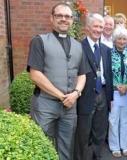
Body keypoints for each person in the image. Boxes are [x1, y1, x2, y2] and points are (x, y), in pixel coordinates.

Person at [27, 3, 90, 160]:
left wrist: (75, 93)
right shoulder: (39, 41)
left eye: (67, 16)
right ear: (52, 18)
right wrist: (62, 96)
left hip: (70, 107)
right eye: (59, 16)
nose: (64, 19)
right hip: (45, 104)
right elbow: (35, 74)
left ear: (72, 20)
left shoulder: (78, 45)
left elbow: (82, 75)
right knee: (41, 144)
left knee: (66, 146)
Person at [74, 13, 113, 160]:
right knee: (83, 132)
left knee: (100, 130)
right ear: (88, 28)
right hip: (85, 94)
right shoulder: (78, 47)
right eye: (95, 26)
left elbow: (108, 73)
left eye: (101, 27)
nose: (98, 29)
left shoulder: (106, 49)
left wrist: (110, 97)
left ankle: (96, 156)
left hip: (102, 93)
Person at [108, 26, 127, 158]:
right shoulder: (108, 53)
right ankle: (114, 146)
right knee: (113, 120)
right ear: (114, 40)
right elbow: (107, 74)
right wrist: (117, 86)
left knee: (125, 120)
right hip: (114, 92)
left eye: (125, 38)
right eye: (119, 38)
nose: (122, 41)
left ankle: (124, 145)